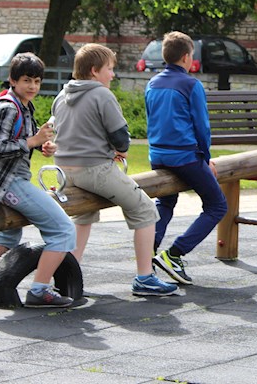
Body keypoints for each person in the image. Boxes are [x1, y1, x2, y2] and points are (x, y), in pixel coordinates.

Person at [51, 43, 177, 297]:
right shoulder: (102, 95)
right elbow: (120, 136)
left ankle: (67, 279)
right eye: (109, 69)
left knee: (83, 218)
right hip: (94, 169)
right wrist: (120, 149)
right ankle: (145, 277)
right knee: (145, 209)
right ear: (95, 71)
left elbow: (58, 129)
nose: (113, 74)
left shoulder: (62, 95)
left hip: (64, 170)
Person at [0, 52, 77, 307]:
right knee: (63, 230)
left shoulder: (22, 106)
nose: (32, 86)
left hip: (9, 179)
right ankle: (39, 290)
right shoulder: (8, 108)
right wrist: (32, 141)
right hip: (7, 181)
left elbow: (23, 141)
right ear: (13, 80)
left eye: (37, 81)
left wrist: (43, 146)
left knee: (8, 236)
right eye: (27, 80)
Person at [145, 31, 227, 286]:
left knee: (165, 202)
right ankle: (175, 254)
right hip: (184, 157)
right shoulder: (191, 85)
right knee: (217, 206)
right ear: (185, 57)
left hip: (157, 154)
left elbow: (151, 118)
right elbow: (202, 127)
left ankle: (147, 253)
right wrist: (206, 158)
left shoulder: (152, 83)